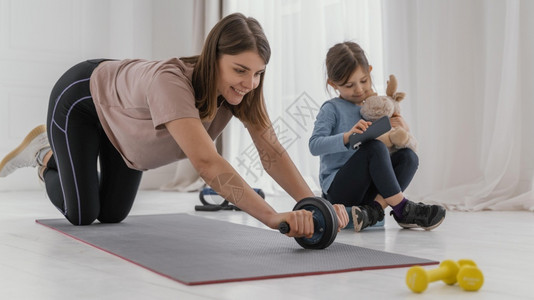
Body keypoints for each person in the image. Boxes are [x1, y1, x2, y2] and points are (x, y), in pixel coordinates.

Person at [0, 13, 349, 237]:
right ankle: (44, 155)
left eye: (258, 73)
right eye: (240, 70)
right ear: (214, 58)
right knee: (81, 215)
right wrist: (272, 217)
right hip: (83, 100)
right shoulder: (171, 83)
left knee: (110, 216)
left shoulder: (241, 94)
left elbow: (270, 152)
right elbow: (207, 163)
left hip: (123, 121)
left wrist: (310, 203)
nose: (249, 83)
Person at [309, 41, 445, 232]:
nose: (359, 89)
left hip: (369, 188)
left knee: (408, 156)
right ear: (333, 84)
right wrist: (347, 137)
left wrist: (401, 126)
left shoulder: (375, 105)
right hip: (339, 189)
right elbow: (314, 145)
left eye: (364, 80)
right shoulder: (331, 109)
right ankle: (402, 208)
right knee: (374, 148)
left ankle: (373, 211)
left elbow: (391, 142)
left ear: (370, 71)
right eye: (349, 85)